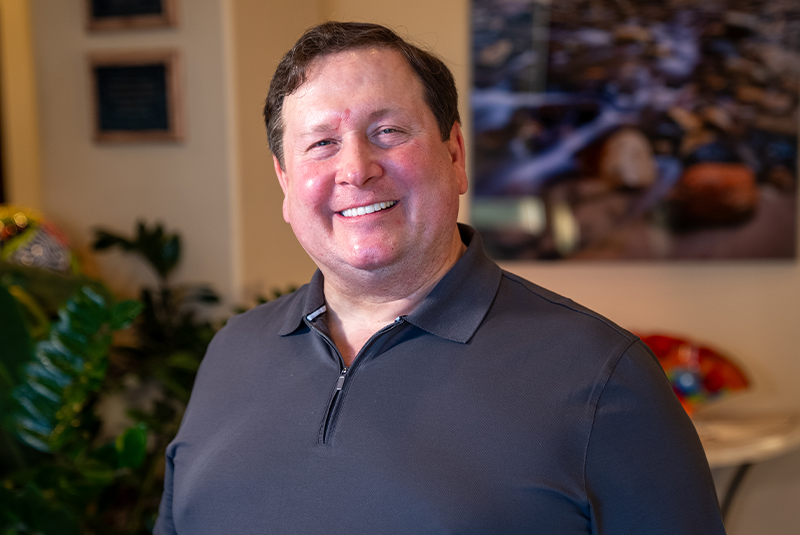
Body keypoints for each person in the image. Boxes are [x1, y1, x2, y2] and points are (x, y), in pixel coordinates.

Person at [154, 21, 726, 534]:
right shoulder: (232, 352)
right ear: (285, 182)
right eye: (322, 143)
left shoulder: (604, 377)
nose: (355, 169)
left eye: (388, 131)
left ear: (454, 154)